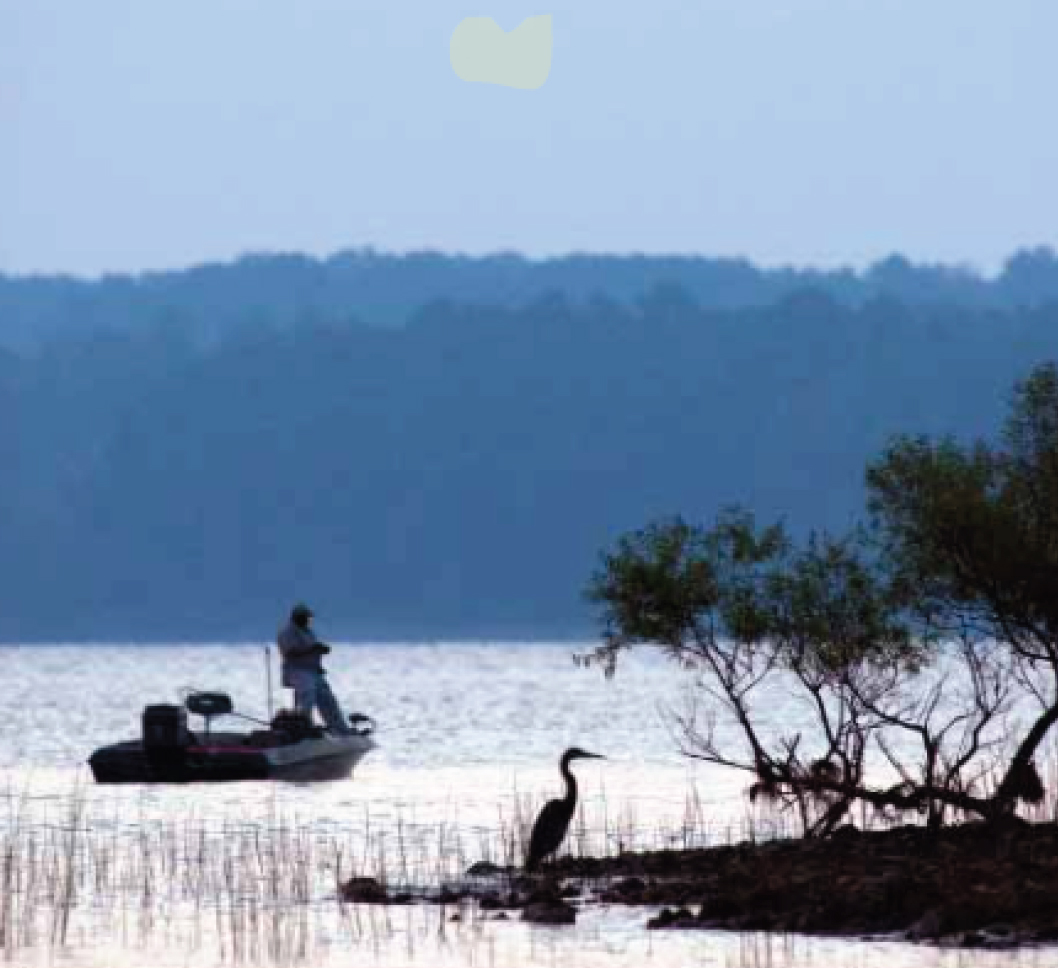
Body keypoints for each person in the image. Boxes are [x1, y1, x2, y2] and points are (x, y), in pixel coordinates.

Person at [276, 602, 354, 736]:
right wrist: (313, 649)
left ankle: (340, 729)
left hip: (313, 672)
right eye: (305, 617)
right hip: (296, 671)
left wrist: (319, 650)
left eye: (309, 617)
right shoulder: (287, 633)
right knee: (307, 696)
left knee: (328, 699)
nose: (308, 620)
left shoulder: (308, 631)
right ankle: (303, 727)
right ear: (297, 617)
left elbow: (311, 650)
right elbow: (290, 654)